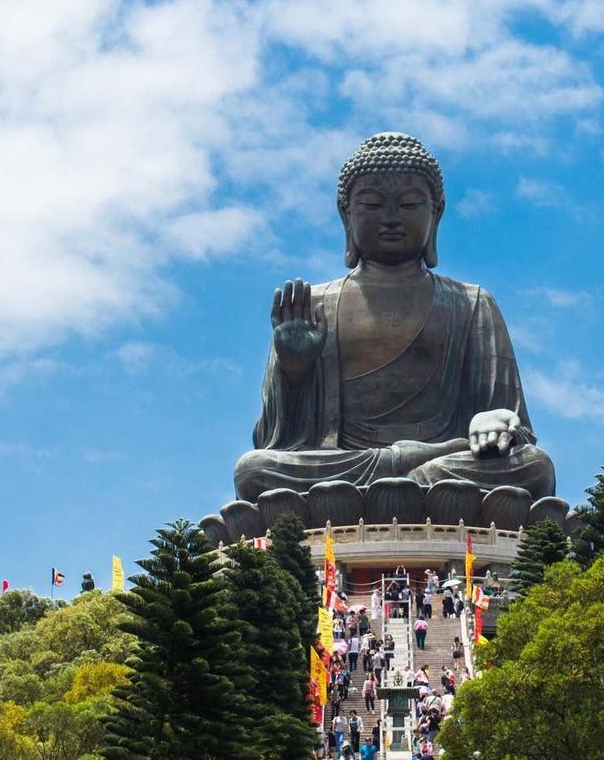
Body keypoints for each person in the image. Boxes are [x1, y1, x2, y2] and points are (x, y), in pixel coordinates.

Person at [233, 132, 556, 503]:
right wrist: (293, 371)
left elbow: (515, 431)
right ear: (346, 214)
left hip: (444, 462)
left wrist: (495, 422)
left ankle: (410, 481)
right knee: (254, 470)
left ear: (436, 213)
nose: (390, 219)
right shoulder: (313, 306)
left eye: (409, 205)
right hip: (345, 467)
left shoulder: (471, 303)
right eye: (371, 205)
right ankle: (410, 482)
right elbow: (277, 442)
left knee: (534, 466)